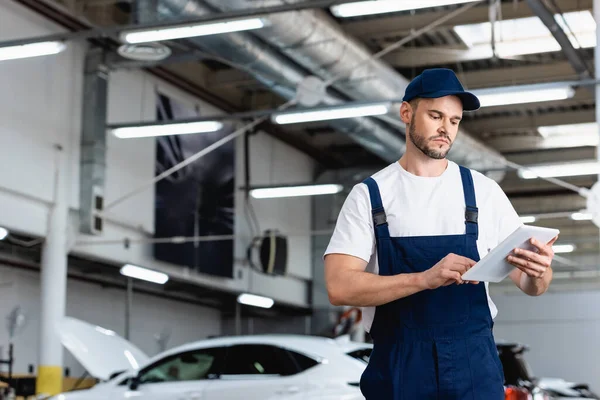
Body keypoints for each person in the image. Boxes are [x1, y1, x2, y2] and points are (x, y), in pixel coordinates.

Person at [323, 68, 558, 399]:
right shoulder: (370, 196)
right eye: (435, 116)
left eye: (455, 120)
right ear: (407, 113)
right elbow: (339, 286)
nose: (445, 129)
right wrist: (423, 279)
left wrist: (538, 272)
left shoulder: (483, 192)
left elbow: (531, 284)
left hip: (473, 368)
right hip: (400, 368)